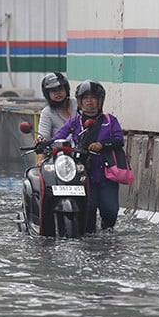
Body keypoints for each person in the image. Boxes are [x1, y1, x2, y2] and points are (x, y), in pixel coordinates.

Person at [52, 80, 125, 233]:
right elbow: (59, 137)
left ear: (100, 101)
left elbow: (119, 141)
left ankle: (107, 234)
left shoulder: (110, 121)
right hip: (83, 174)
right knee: (88, 211)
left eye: (93, 98)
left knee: (110, 210)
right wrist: (43, 143)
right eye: (85, 98)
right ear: (79, 102)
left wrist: (102, 145)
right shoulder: (74, 122)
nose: (89, 101)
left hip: (107, 175)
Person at [37, 72, 74, 144]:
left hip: (81, 151)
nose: (58, 93)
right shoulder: (47, 112)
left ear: (66, 89)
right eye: (53, 91)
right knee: (42, 154)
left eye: (60, 89)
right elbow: (43, 134)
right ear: (47, 94)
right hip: (58, 152)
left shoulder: (77, 104)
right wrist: (40, 140)